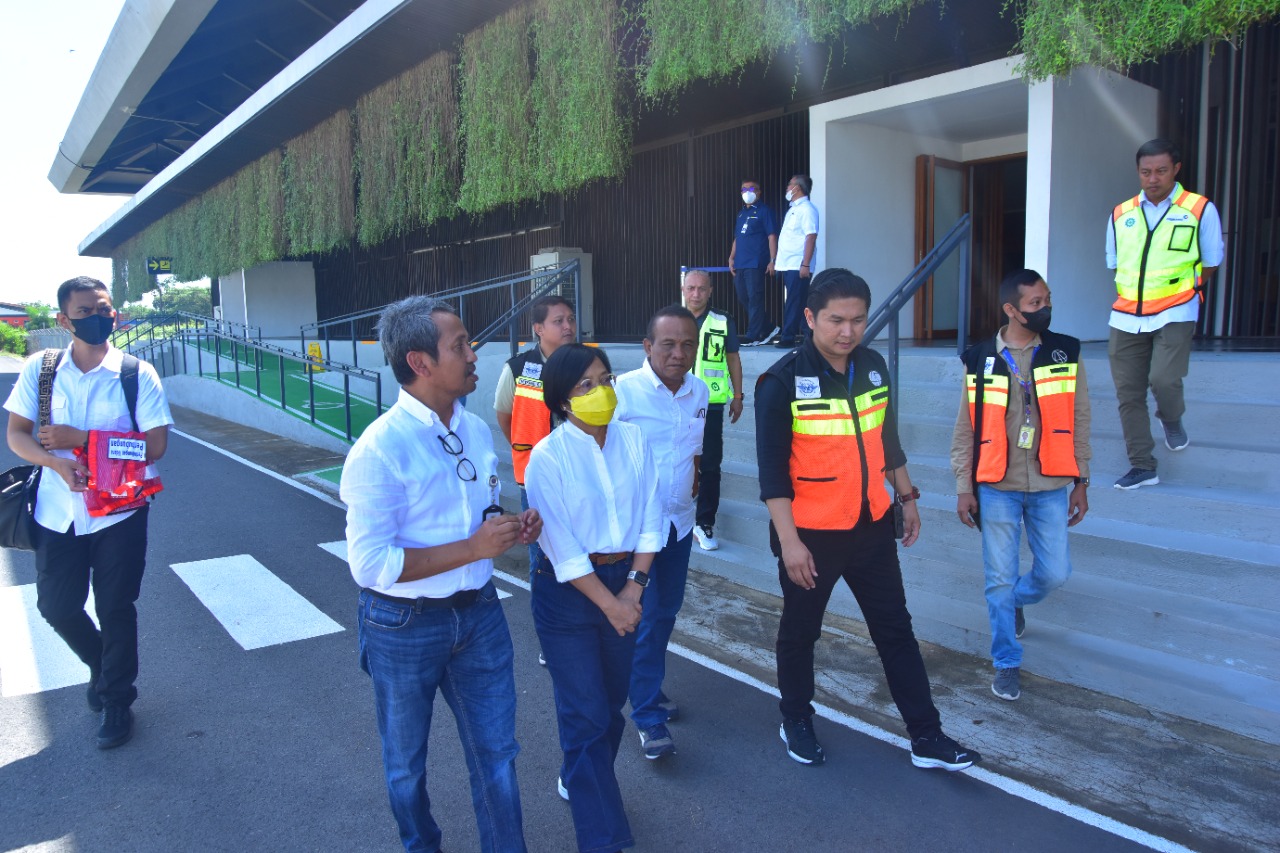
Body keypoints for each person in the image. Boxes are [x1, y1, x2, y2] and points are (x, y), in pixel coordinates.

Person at [755, 268, 980, 771]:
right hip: (810, 536)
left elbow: (888, 442)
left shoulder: (874, 366)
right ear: (810, 316)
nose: (848, 331)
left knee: (895, 630)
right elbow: (771, 475)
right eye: (836, 320)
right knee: (800, 633)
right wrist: (790, 542)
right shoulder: (782, 380)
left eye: (858, 320)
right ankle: (796, 718)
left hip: (871, 527)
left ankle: (927, 736)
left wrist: (907, 497)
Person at [341, 296, 540, 853]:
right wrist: (473, 546)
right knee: (406, 765)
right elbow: (371, 564)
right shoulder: (378, 450)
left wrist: (505, 527)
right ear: (420, 362)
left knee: (497, 755)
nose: (474, 354)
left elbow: (478, 514)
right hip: (402, 625)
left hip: (479, 613)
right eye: (460, 345)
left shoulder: (474, 431)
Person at [4, 276, 172, 750]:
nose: (99, 317)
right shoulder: (41, 369)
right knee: (56, 606)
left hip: (120, 512)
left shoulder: (136, 374)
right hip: (58, 514)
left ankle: (117, 698)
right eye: (84, 312)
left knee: (116, 606)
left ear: (115, 313)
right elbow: (17, 434)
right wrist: (54, 461)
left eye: (105, 308)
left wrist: (83, 440)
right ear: (63, 320)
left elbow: (155, 446)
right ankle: (101, 663)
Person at [525, 343, 661, 853]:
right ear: (563, 402)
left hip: (626, 578)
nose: (601, 391)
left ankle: (578, 775)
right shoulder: (548, 456)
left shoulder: (634, 440)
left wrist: (634, 587)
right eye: (585, 386)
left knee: (608, 703)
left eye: (605, 379)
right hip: (567, 594)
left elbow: (652, 515)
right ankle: (604, 837)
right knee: (584, 711)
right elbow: (560, 546)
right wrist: (612, 605)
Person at [951, 269, 1092, 701]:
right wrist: (963, 486)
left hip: (1050, 482)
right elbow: (965, 429)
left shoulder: (1065, 352)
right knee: (998, 578)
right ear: (1011, 310)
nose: (1044, 309)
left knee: (1054, 573)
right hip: (997, 485)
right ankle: (1006, 661)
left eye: (1047, 300)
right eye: (1035, 303)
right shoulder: (979, 359)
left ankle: (1015, 603)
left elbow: (1080, 418)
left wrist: (1081, 480)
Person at [614, 306, 709, 759]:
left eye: (688, 344)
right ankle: (647, 714)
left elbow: (695, 455)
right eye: (668, 344)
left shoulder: (700, 391)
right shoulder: (623, 394)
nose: (679, 353)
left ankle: (645, 686)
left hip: (680, 526)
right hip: (637, 533)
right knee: (638, 619)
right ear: (647, 347)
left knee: (664, 613)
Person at [1106, 137, 1223, 490]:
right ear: (1138, 172)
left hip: (1175, 310)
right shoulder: (1120, 213)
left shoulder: (1199, 208)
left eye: (1160, 171)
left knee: (1163, 379)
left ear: (1176, 169)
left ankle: (1171, 420)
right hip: (1126, 316)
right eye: (1145, 172)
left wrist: (1184, 290)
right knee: (1128, 393)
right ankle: (1143, 465)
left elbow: (1211, 261)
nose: (1152, 178)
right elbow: (1114, 264)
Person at [494, 295, 576, 578]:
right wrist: (523, 448)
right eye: (558, 321)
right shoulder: (518, 368)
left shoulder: (586, 363)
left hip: (579, 471)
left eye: (571, 320)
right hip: (536, 477)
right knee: (541, 552)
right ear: (538, 328)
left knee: (581, 545)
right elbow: (505, 415)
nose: (568, 326)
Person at [679, 270, 743, 551]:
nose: (696, 294)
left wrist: (738, 395)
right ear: (683, 289)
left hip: (711, 405)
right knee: (678, 459)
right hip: (677, 401)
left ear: (710, 290)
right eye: (691, 288)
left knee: (710, 466)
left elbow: (732, 359)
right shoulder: (672, 319)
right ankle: (678, 514)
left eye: (701, 289)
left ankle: (704, 523)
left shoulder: (722, 320)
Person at [727, 178, 779, 345]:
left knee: (755, 298)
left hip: (756, 262)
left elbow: (772, 237)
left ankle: (754, 334)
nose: (747, 193)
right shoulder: (741, 213)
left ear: (758, 192)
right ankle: (769, 327)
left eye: (751, 189)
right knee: (744, 297)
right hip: (740, 262)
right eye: (743, 189)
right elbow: (737, 238)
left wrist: (772, 260)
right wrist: (732, 256)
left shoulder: (765, 211)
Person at [773, 173, 819, 349]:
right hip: (788, 264)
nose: (787, 188)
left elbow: (811, 236)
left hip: (798, 264)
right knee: (799, 301)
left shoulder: (807, 209)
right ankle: (810, 336)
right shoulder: (794, 209)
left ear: (797, 188)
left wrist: (805, 264)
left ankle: (788, 336)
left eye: (789, 185)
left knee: (794, 300)